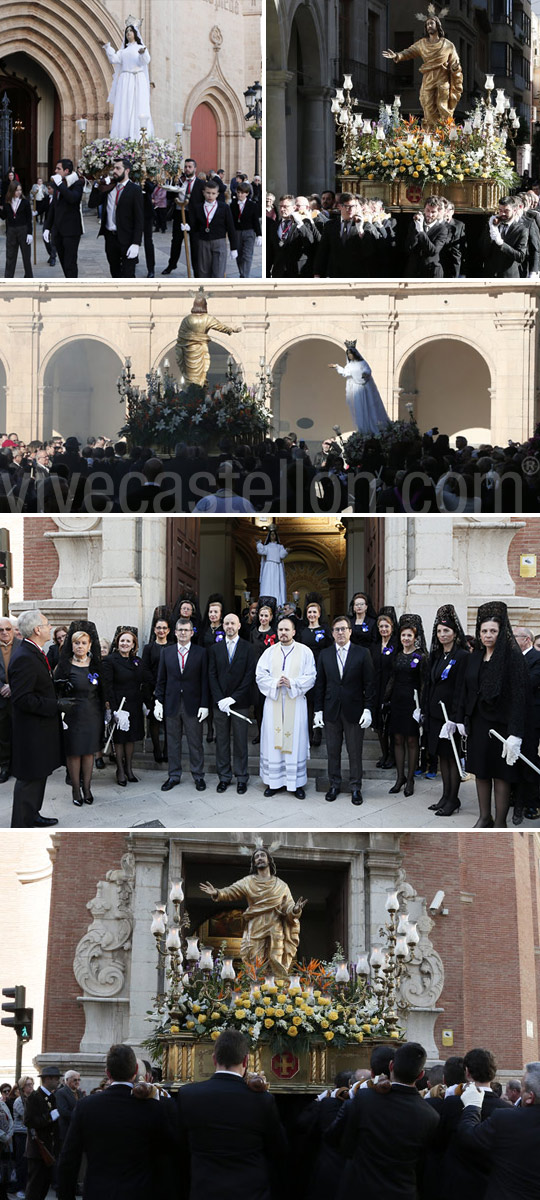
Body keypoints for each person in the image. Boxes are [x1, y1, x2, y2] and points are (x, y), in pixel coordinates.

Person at [176, 1028, 287, 1200]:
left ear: (214, 1059)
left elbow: (180, 1147)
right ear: (246, 1060)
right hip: (250, 1192)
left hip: (205, 1190)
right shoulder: (262, 1100)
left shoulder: (188, 1095)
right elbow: (279, 1150)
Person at [57, 1044, 176, 1200]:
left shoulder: (86, 1107)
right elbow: (167, 1156)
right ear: (135, 1072)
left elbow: (69, 1159)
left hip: (98, 1192)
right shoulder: (154, 1107)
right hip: (140, 1192)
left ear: (107, 1073)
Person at [332, 1041, 440, 1199]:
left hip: (360, 1190)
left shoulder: (365, 1098)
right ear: (421, 1075)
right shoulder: (431, 1115)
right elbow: (424, 1165)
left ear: (391, 1066)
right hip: (401, 1192)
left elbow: (343, 1144)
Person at [457, 601, 529, 827]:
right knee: (481, 770)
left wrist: (515, 734)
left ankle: (500, 822)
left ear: (501, 632)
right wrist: (462, 718)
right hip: (479, 723)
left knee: (501, 774)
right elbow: (467, 689)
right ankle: (484, 817)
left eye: (493, 631)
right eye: (484, 631)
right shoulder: (475, 656)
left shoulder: (512, 658)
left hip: (502, 726)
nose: (488, 635)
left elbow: (519, 697)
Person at [200, 845, 306, 975]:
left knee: (276, 962)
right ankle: (256, 992)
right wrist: (217, 893)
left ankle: (278, 991)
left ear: (269, 860)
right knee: (256, 964)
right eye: (256, 857)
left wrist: (295, 910)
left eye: (262, 856)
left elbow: (288, 906)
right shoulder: (248, 882)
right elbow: (231, 891)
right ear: (254, 863)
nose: (260, 858)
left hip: (275, 927)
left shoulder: (281, 885)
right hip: (256, 927)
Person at [313, 614, 374, 806]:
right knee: (332, 751)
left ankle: (356, 787)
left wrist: (368, 709)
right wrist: (318, 710)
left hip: (354, 710)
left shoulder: (362, 653)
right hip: (331, 710)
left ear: (350, 631)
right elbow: (320, 684)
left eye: (343, 629)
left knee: (354, 751)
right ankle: (334, 784)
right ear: (332, 633)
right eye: (337, 629)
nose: (340, 632)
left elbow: (370, 684)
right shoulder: (325, 654)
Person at [456, 1061, 540, 1200]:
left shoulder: (506, 1119)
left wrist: (473, 1106)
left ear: (530, 1097)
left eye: (523, 1088)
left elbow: (468, 1137)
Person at [9, 610, 63, 829]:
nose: (50, 627)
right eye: (47, 624)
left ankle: (33, 814)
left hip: (41, 729)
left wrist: (56, 686)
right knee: (29, 778)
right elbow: (23, 699)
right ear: (37, 630)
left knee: (40, 774)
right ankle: (21, 824)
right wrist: (56, 704)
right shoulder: (24, 657)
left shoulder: (35, 651)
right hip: (31, 732)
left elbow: (36, 685)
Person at [255, 616, 316, 799]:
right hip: (273, 702)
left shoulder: (305, 652)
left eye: (286, 630)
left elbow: (311, 675)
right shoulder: (269, 652)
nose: (283, 633)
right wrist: (275, 683)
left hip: (294, 702)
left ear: (294, 632)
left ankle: (295, 784)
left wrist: (293, 683)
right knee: (273, 741)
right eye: (280, 630)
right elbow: (259, 675)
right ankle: (273, 783)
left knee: (295, 741)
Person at [423, 604, 470, 817]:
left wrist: (455, 718)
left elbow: (462, 688)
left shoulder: (462, 656)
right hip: (435, 716)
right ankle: (445, 796)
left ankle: (453, 799)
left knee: (452, 758)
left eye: (446, 631)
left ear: (454, 633)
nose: (442, 635)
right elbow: (431, 684)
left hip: (449, 717)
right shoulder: (438, 655)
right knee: (443, 759)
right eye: (439, 631)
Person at [154, 617, 209, 793]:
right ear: (175, 632)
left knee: (195, 742)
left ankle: (198, 776)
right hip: (172, 704)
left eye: (186, 630)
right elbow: (161, 680)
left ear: (192, 633)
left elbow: (204, 681)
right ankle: (174, 775)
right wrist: (158, 702)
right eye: (180, 630)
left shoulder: (201, 653)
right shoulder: (167, 652)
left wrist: (204, 704)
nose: (183, 633)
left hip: (193, 704)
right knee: (173, 742)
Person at [53, 622, 105, 807]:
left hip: (92, 715)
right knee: (74, 753)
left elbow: (102, 692)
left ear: (90, 645)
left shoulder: (96, 665)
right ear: (71, 645)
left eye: (84, 643)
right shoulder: (64, 666)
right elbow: (55, 692)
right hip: (72, 716)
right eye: (77, 643)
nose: (80, 646)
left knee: (89, 753)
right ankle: (76, 789)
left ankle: (88, 788)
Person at [382, 12, 463, 127]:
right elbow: (408, 52)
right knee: (428, 107)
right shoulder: (422, 44)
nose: (429, 26)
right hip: (428, 79)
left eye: (431, 23)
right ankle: (429, 135)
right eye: (427, 24)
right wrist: (397, 56)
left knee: (443, 107)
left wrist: (455, 68)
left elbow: (455, 62)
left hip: (442, 79)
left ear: (437, 25)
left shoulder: (448, 45)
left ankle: (446, 135)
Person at [208, 613, 255, 794]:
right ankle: (224, 777)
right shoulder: (215, 648)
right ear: (223, 626)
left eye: (232, 623)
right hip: (220, 704)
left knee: (241, 742)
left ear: (239, 626)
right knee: (222, 741)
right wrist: (220, 699)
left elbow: (249, 676)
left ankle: (242, 777)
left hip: (240, 703)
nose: (229, 626)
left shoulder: (248, 648)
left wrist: (233, 698)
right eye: (226, 623)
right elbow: (211, 675)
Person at [385, 613, 428, 797]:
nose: (406, 638)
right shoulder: (397, 656)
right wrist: (386, 699)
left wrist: (422, 708)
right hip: (397, 701)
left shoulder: (422, 657)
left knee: (411, 740)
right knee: (397, 740)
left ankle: (410, 779)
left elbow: (424, 682)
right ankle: (399, 777)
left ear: (415, 638)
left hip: (413, 702)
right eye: (403, 635)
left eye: (409, 635)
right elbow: (392, 678)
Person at [102, 626, 149, 787]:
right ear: (118, 642)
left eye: (128, 641)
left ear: (133, 644)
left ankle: (129, 768)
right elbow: (107, 686)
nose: (125, 643)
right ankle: (120, 770)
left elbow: (146, 679)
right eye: (122, 640)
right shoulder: (109, 660)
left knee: (131, 738)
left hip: (134, 704)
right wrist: (114, 709)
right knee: (119, 739)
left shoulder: (137, 661)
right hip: (119, 705)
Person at [88, 157, 144, 278]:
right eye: (114, 168)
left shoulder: (135, 189)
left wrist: (136, 243)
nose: (114, 171)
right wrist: (97, 185)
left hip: (127, 239)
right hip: (110, 238)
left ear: (127, 171)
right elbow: (91, 204)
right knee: (115, 272)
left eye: (118, 168)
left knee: (128, 275)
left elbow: (139, 218)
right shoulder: (109, 188)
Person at [175, 293, 241, 387]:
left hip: (187, 351)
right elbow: (220, 327)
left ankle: (193, 391)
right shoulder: (207, 318)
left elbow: (181, 336)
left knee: (190, 376)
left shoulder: (187, 319)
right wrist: (231, 329)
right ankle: (197, 390)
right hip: (201, 349)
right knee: (200, 374)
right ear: (204, 305)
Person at [103, 21, 154, 140]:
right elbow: (114, 59)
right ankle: (123, 135)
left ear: (136, 33)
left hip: (138, 78)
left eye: (131, 31)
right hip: (126, 80)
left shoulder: (141, 47)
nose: (128, 33)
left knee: (139, 105)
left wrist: (142, 54)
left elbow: (145, 61)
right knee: (124, 105)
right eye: (127, 32)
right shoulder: (123, 51)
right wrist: (107, 47)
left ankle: (139, 136)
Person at [330, 343, 389, 435]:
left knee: (370, 407)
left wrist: (365, 374)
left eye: (351, 353)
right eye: (348, 354)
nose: (349, 355)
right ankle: (363, 429)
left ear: (355, 353)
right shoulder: (349, 365)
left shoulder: (362, 363)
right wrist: (337, 366)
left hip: (365, 388)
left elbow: (367, 370)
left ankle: (373, 427)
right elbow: (345, 373)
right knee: (359, 409)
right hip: (356, 389)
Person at [513, 626, 540, 822]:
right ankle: (517, 797)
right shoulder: (513, 658)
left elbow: (529, 683)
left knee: (528, 758)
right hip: (514, 716)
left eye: (515, 636)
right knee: (514, 759)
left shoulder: (536, 658)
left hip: (531, 718)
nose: (512, 639)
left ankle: (533, 802)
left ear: (527, 640)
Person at [161, 158, 206, 277]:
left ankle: (196, 269)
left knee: (194, 243)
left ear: (195, 169)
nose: (187, 169)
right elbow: (170, 196)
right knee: (176, 241)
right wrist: (170, 185)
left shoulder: (201, 184)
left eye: (190, 167)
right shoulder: (179, 181)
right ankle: (172, 264)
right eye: (185, 166)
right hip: (179, 214)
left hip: (193, 218)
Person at [300, 595, 332, 747]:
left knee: (319, 700)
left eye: (314, 612)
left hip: (321, 667)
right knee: (308, 703)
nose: (312, 615)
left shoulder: (325, 629)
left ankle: (318, 732)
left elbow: (330, 649)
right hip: (305, 669)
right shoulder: (302, 630)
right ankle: (308, 733)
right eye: (309, 612)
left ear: (319, 614)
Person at [24, 1066, 61, 1200]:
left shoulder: (52, 1097)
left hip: (49, 1150)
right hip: (39, 1149)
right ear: (47, 1079)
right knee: (35, 1187)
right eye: (56, 1078)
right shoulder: (34, 1097)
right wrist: (49, 1117)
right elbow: (28, 1121)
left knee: (45, 1186)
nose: (58, 1081)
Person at [141, 609, 172, 763]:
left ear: (168, 631)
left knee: (168, 720)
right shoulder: (148, 648)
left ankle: (167, 750)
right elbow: (144, 669)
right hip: (152, 689)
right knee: (154, 720)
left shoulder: (173, 647)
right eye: (158, 628)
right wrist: (155, 686)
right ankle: (156, 750)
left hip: (169, 689)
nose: (161, 631)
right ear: (154, 630)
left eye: (164, 628)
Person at [43, 160, 84, 278]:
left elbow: (73, 198)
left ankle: (73, 288)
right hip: (58, 231)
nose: (55, 171)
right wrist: (47, 227)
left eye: (58, 169)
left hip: (71, 231)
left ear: (66, 171)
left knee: (70, 263)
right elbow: (53, 207)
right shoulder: (58, 184)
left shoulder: (77, 184)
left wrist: (60, 185)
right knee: (63, 263)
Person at [190, 179, 238, 278]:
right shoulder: (198, 207)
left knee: (218, 272)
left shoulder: (224, 207)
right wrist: (188, 227)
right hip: (203, 242)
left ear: (217, 194)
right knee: (203, 271)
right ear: (203, 193)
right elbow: (195, 227)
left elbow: (231, 228)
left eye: (213, 193)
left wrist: (234, 247)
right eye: (208, 193)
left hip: (219, 241)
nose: (210, 196)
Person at [371, 606, 398, 770]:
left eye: (386, 626)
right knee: (379, 725)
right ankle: (384, 754)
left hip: (392, 688)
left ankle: (393, 756)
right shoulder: (374, 646)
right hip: (377, 688)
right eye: (381, 626)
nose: (383, 629)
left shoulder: (396, 645)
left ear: (392, 627)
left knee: (390, 725)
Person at [481, 198, 529, 278]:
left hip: (509, 277)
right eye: (500, 210)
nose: (502, 214)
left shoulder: (522, 230)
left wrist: (501, 244)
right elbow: (482, 249)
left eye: (506, 211)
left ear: (514, 210)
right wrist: (491, 229)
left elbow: (520, 256)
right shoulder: (492, 225)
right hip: (490, 275)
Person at [405, 197, 449, 278]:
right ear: (424, 209)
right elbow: (409, 247)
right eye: (427, 210)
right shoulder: (414, 224)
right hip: (413, 271)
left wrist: (421, 232)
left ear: (438, 212)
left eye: (433, 212)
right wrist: (416, 231)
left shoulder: (442, 229)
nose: (429, 214)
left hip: (431, 272)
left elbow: (433, 251)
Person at [0, 181, 33, 278]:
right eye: (16, 190)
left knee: (26, 256)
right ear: (11, 190)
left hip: (23, 230)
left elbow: (29, 219)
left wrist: (29, 233)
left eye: (20, 190)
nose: (19, 192)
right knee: (10, 256)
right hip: (11, 231)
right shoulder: (7, 203)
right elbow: (3, 216)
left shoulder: (25, 202)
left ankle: (29, 276)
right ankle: (8, 277)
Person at [230, 181, 262, 277]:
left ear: (247, 193)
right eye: (238, 192)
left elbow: (255, 221)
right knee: (239, 256)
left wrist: (259, 234)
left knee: (247, 255)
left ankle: (244, 276)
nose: (240, 194)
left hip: (249, 232)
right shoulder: (233, 205)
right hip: (237, 232)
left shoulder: (252, 205)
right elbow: (230, 221)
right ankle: (242, 273)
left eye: (242, 193)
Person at [256, 527, 288, 607]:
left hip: (277, 567)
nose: (273, 536)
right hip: (268, 567)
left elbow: (281, 555)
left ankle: (278, 603)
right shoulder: (267, 547)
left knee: (277, 585)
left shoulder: (279, 547)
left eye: (274, 534)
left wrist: (286, 551)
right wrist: (258, 543)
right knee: (267, 584)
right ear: (269, 536)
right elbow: (261, 551)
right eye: (271, 534)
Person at [0, 616, 15, 783]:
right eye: (1, 630)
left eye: (8, 629)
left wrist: (13, 686)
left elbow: (26, 670)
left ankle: (18, 765)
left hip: (17, 697)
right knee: (3, 734)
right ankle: (4, 766)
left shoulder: (21, 647)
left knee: (19, 732)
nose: (5, 633)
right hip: (1, 699)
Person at [54, 1071, 81, 1150]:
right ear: (67, 1080)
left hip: (77, 1131)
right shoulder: (61, 1093)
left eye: (79, 1080)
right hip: (66, 1131)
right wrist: (80, 1117)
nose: (77, 1082)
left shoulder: (79, 1092)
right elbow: (64, 1112)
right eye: (75, 1080)